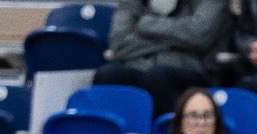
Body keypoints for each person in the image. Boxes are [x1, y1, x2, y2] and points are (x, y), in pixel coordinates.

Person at [92, 0, 231, 117]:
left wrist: (145, 25)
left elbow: (198, 36)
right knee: (107, 74)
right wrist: (175, 42)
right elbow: (119, 43)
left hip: (191, 69)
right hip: (140, 64)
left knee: (159, 76)